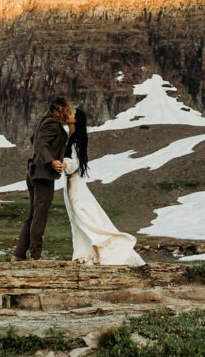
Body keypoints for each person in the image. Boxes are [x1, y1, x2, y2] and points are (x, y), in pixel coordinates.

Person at [62, 108, 144, 266]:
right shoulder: (69, 136)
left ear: (76, 120)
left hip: (76, 184)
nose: (67, 114)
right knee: (77, 220)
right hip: (70, 184)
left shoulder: (78, 138)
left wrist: (64, 164)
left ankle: (99, 254)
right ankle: (84, 254)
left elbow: (75, 163)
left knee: (85, 218)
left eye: (71, 113)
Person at [13, 96, 73, 261]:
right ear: (59, 109)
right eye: (67, 109)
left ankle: (18, 254)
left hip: (33, 172)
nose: (69, 112)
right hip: (43, 175)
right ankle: (35, 255)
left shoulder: (43, 121)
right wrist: (51, 161)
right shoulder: (52, 123)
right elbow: (39, 143)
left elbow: (34, 139)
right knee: (40, 215)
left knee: (33, 215)